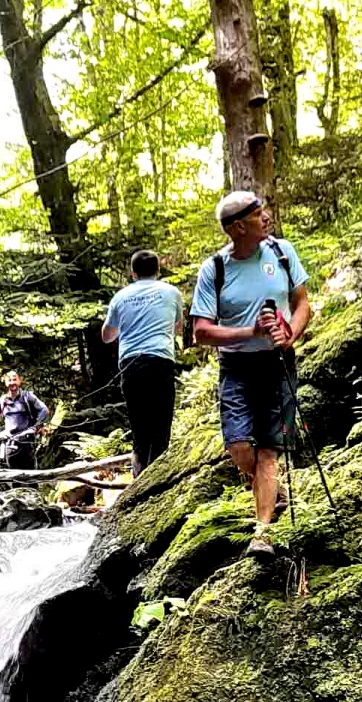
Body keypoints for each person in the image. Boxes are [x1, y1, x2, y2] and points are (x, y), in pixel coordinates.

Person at [190, 190, 312, 551]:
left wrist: (290, 334)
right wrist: (252, 332)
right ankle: (270, 489)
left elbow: (302, 303)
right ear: (238, 227)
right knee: (240, 448)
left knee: (270, 449)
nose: (267, 217)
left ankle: (262, 533)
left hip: (278, 363)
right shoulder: (215, 269)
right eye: (259, 214)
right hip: (236, 368)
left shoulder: (282, 252)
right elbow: (201, 332)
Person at [101, 249, 183, 477]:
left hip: (131, 366)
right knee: (161, 428)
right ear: (158, 269)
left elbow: (107, 336)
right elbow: (177, 327)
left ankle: (139, 481)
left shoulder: (120, 297)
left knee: (140, 430)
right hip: (161, 362)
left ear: (133, 273)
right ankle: (157, 484)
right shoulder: (172, 292)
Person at [0, 371, 49, 470]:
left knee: (30, 475)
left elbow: (44, 410)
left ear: (19, 381)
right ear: (5, 382)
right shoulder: (2, 401)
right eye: (9, 380)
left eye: (14, 379)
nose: (12, 383)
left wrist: (35, 427)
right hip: (10, 443)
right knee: (12, 474)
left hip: (27, 443)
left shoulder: (27, 397)